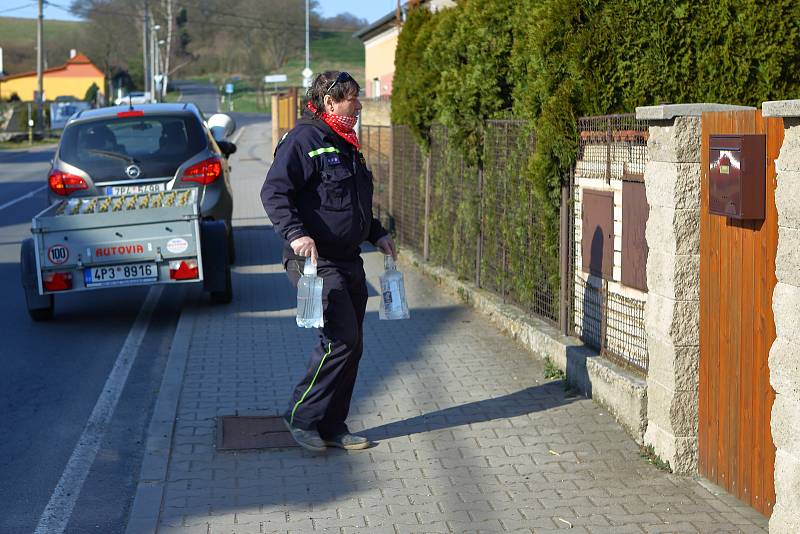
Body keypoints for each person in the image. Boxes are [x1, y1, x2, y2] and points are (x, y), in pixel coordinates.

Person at [261, 71, 397, 452]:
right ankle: (302, 417)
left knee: (353, 345)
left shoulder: (347, 142)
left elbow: (352, 203)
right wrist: (296, 233)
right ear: (329, 102)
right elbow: (273, 192)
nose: (359, 105)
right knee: (340, 340)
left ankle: (334, 425)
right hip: (313, 261)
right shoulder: (303, 140)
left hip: (348, 259)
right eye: (352, 98)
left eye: (358, 98)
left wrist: (377, 233)